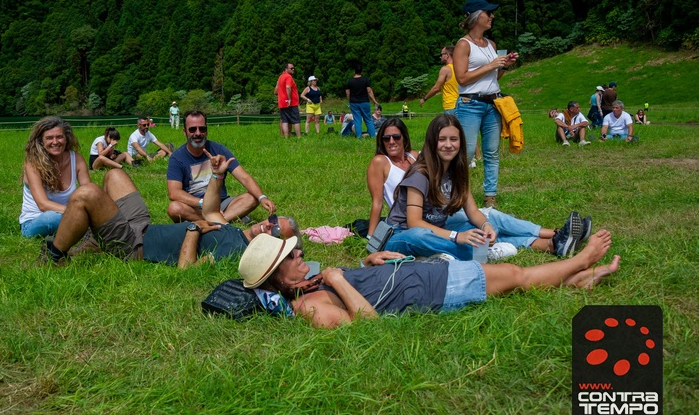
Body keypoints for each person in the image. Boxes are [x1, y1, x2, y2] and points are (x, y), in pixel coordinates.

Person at [238, 231, 619, 328]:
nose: (301, 253)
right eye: (291, 256)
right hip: (433, 290)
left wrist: (369, 262)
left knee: (513, 281)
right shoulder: (309, 308)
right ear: (277, 278)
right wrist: (337, 281)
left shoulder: (308, 284)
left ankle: (578, 281)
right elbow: (367, 326)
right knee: (516, 276)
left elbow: (363, 289)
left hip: (420, 275)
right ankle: (581, 260)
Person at [384, 114, 591, 261]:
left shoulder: (457, 171)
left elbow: (472, 210)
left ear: (461, 142)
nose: (448, 145)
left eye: (454, 139)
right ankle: (477, 254)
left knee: (479, 230)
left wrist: (485, 227)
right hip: (400, 236)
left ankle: (553, 243)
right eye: (442, 139)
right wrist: (458, 237)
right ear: (432, 142)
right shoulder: (420, 174)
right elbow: (414, 224)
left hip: (438, 231)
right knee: (428, 237)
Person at [39, 156, 299, 268]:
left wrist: (193, 229)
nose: (268, 224)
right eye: (274, 220)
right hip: (143, 226)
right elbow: (210, 209)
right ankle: (96, 240)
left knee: (87, 194)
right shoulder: (235, 232)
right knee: (115, 174)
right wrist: (216, 177)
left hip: (135, 246)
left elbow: (187, 269)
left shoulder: (236, 253)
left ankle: (54, 258)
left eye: (276, 230)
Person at [452, 0, 518, 208]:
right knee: (466, 153)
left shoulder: (492, 44)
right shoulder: (463, 45)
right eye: (488, 13)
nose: (492, 16)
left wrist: (503, 66)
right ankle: (459, 194)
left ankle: (490, 196)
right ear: (475, 16)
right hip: (470, 104)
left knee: (491, 152)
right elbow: (462, 78)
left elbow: (493, 79)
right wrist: (491, 65)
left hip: (493, 104)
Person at [167, 110, 277, 223]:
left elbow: (244, 177)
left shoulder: (218, 149)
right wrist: (203, 203)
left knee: (253, 197)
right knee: (174, 208)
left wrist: (262, 197)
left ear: (207, 130)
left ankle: (212, 222)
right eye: (192, 129)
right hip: (196, 205)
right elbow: (174, 192)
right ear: (184, 132)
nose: (198, 133)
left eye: (202, 128)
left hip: (222, 203)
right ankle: (224, 220)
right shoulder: (177, 158)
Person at [19, 116, 91, 238]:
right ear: (41, 141)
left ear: (66, 139)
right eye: (49, 138)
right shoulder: (32, 164)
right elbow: (43, 205)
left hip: (69, 215)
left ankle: (80, 230)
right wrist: (77, 213)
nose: (55, 142)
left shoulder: (77, 159)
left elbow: (88, 191)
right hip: (35, 221)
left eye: (59, 137)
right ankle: (84, 230)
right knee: (51, 218)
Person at [366, 118, 419, 237]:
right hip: (402, 223)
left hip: (427, 215)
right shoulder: (380, 162)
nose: (391, 141)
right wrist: (370, 237)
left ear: (404, 137)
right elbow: (377, 202)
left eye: (396, 137)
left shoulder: (414, 156)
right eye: (386, 138)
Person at [420, 46, 458, 113]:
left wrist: (424, 99)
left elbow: (436, 88)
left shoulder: (445, 69)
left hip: (450, 106)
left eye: (441, 54)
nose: (440, 57)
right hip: (461, 105)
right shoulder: (459, 68)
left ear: (447, 55)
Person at [345, 63, 379, 139]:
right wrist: (374, 100)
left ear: (354, 71)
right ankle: (373, 136)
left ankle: (359, 137)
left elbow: (347, 93)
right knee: (368, 120)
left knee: (357, 120)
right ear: (361, 71)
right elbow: (369, 91)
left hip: (354, 102)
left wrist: (349, 101)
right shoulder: (365, 80)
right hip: (364, 102)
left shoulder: (350, 81)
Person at [275, 62, 301, 138]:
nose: (293, 69)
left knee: (285, 120)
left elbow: (276, 91)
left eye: (294, 68)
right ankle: (299, 137)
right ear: (286, 69)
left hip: (282, 102)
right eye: (291, 68)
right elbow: (288, 87)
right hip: (291, 103)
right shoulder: (288, 77)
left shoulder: (280, 77)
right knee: (296, 120)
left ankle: (286, 137)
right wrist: (289, 99)